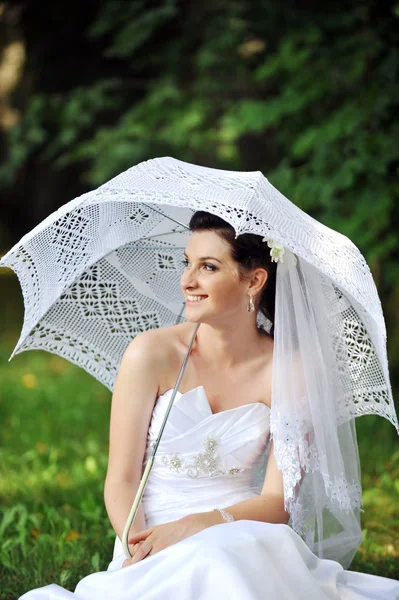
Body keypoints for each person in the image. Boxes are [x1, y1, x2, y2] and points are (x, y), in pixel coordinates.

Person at [19, 211, 399, 599]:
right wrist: (138, 540)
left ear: (254, 280)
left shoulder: (289, 371)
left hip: (241, 529)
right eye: (188, 263)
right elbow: (121, 479)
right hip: (150, 529)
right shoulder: (150, 354)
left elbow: (276, 502)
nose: (187, 280)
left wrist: (202, 524)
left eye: (208, 267)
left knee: (220, 563)